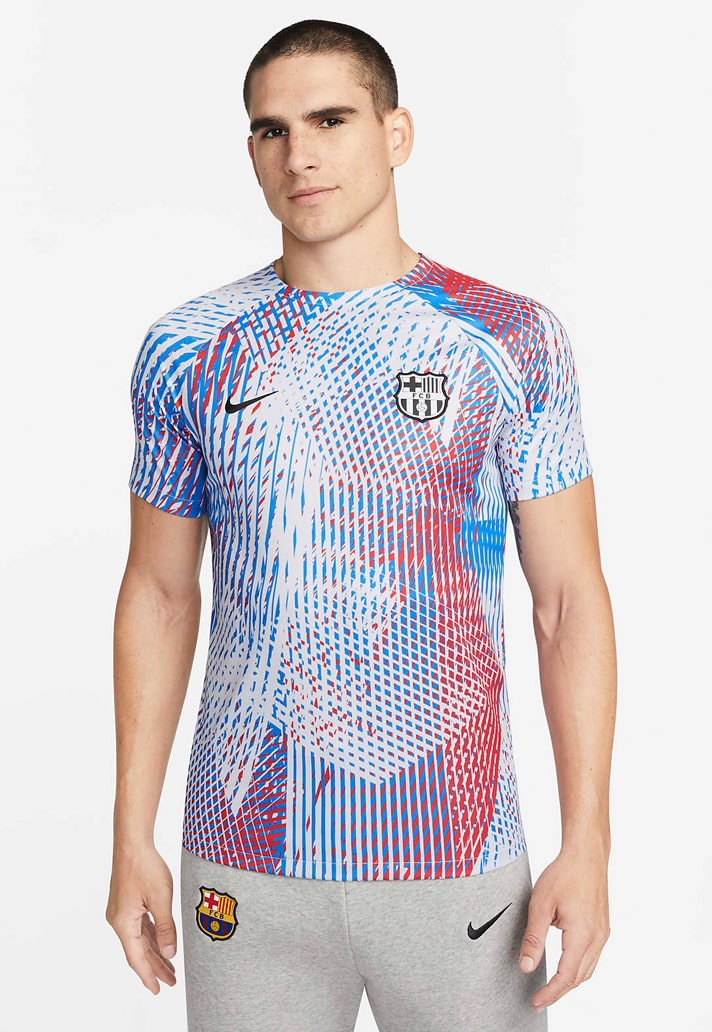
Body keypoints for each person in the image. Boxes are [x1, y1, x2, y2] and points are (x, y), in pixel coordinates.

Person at [106, 18, 616, 1032]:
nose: (299, 154)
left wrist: (589, 840)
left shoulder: (507, 338)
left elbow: (567, 602)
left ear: (396, 133)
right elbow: (159, 595)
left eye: (330, 120)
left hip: (455, 853)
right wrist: (130, 832)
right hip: (245, 856)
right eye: (272, 130)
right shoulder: (189, 349)